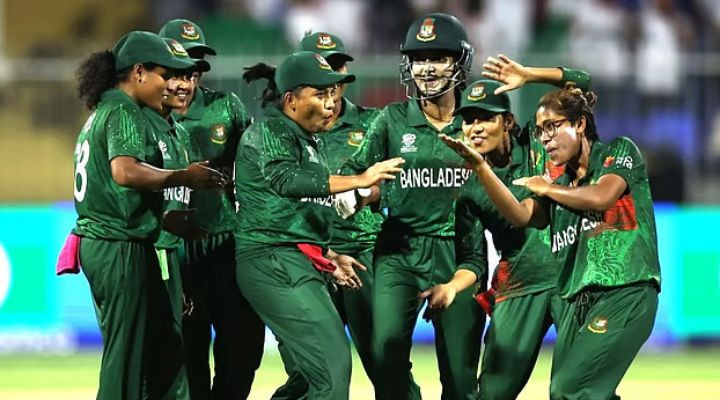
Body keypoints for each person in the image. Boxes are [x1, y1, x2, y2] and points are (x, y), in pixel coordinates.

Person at [439, 84, 660, 400]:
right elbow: (521, 215)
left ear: (579, 123)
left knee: (569, 389)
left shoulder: (617, 152)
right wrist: (483, 169)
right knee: (572, 393)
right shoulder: (560, 182)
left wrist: (529, 75)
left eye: (553, 127)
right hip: (578, 297)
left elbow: (602, 196)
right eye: (542, 130)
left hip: (626, 289)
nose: (545, 138)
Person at [421, 57, 591, 400]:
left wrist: (529, 75)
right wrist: (452, 287)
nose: (476, 128)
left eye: (486, 118)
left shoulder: (539, 140)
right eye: (469, 120)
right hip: (520, 286)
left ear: (509, 122)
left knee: (578, 391)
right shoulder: (470, 192)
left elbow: (582, 83)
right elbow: (472, 261)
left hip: (573, 279)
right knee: (492, 394)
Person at [237, 51, 403, 400]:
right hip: (274, 261)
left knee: (313, 375)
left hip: (294, 258)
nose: (331, 103)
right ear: (291, 100)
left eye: (332, 93)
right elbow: (286, 181)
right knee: (331, 368)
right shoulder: (271, 129)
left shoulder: (302, 139)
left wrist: (325, 254)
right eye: (320, 94)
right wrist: (359, 179)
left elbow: (290, 212)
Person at [72, 30, 225, 399]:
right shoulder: (123, 110)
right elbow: (124, 172)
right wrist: (183, 176)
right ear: (138, 72)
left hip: (120, 242)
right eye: (165, 74)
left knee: (159, 352)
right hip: (117, 243)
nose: (171, 84)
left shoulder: (106, 111)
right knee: (127, 360)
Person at [341, 13, 483, 400]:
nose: (427, 68)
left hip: (460, 251)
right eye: (419, 58)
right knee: (386, 358)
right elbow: (352, 175)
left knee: (460, 377)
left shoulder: (477, 120)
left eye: (438, 57)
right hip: (398, 251)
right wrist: (356, 194)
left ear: (460, 62)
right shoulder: (392, 119)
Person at [267, 31, 384, 400]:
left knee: (387, 366)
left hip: (362, 255)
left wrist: (365, 193)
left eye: (337, 67)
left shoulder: (374, 123)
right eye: (320, 70)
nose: (330, 80)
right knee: (307, 373)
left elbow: (397, 181)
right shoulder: (277, 133)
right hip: (303, 258)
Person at [159, 19, 266, 400]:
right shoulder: (143, 117)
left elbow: (256, 167)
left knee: (243, 344)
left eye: (194, 67)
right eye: (177, 65)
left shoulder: (226, 106)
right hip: (176, 250)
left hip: (226, 243)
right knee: (187, 352)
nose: (186, 77)